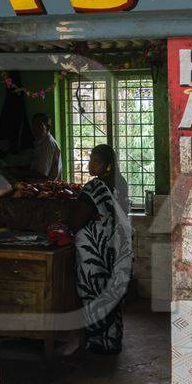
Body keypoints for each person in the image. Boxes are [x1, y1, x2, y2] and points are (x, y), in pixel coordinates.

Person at [68, 144, 133, 354]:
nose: (91, 165)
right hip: (117, 249)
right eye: (91, 160)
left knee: (93, 293)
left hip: (95, 251)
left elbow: (77, 220)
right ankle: (112, 340)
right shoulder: (120, 183)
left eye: (96, 161)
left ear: (108, 165)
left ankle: (97, 343)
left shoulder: (94, 188)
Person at [30, 113, 62, 181]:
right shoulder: (40, 142)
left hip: (47, 187)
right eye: (33, 125)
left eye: (38, 125)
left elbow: (41, 174)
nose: (34, 129)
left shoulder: (48, 144)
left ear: (48, 127)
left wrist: (19, 171)